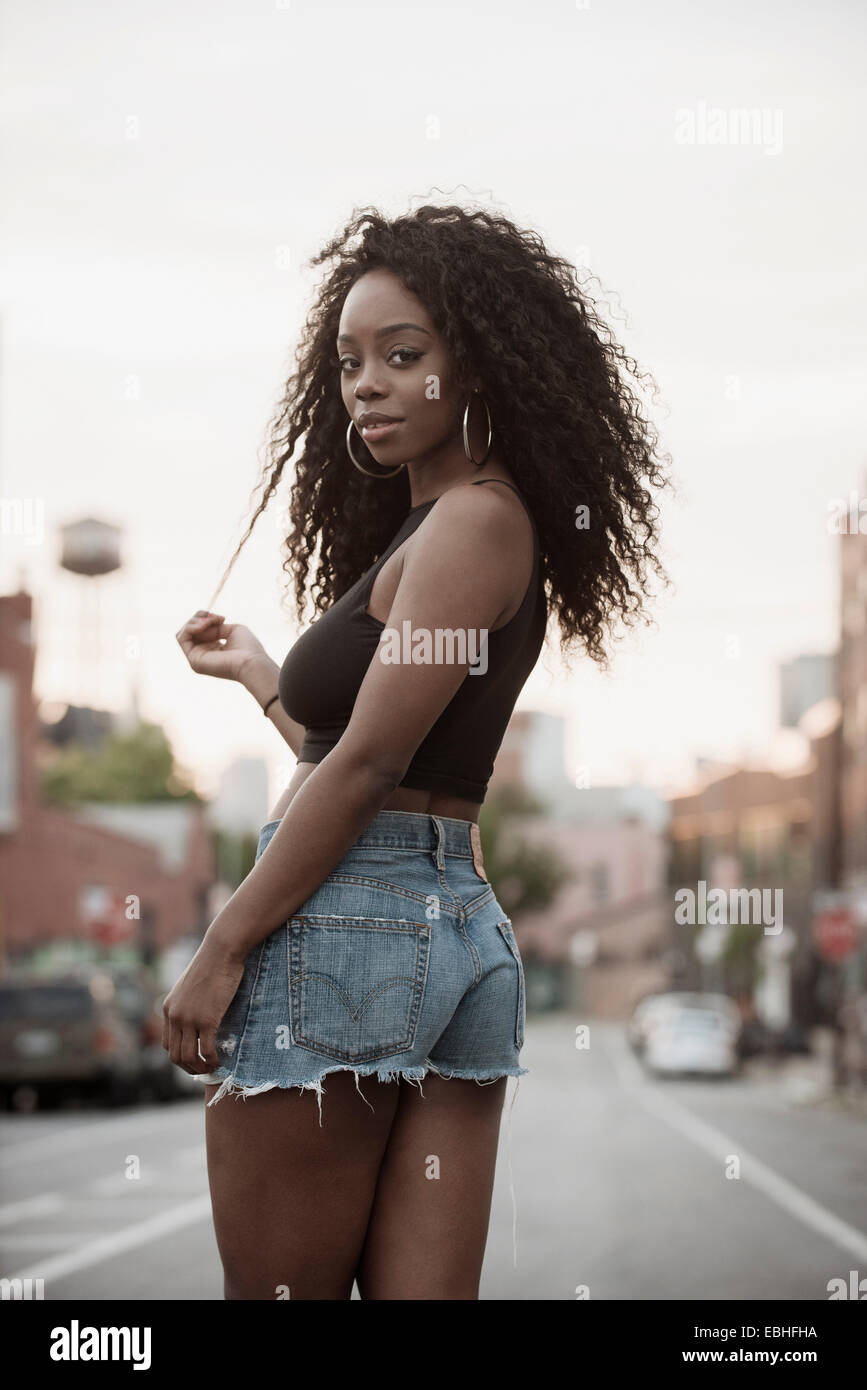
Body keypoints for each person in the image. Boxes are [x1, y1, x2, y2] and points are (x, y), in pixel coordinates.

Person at [167, 202, 670, 1300]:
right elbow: (367, 750)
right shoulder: (461, 525)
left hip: (353, 925)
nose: (368, 383)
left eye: (405, 355)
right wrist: (263, 673)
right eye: (350, 362)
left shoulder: (469, 524)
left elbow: (363, 774)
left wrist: (222, 945)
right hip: (447, 927)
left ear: (475, 365)